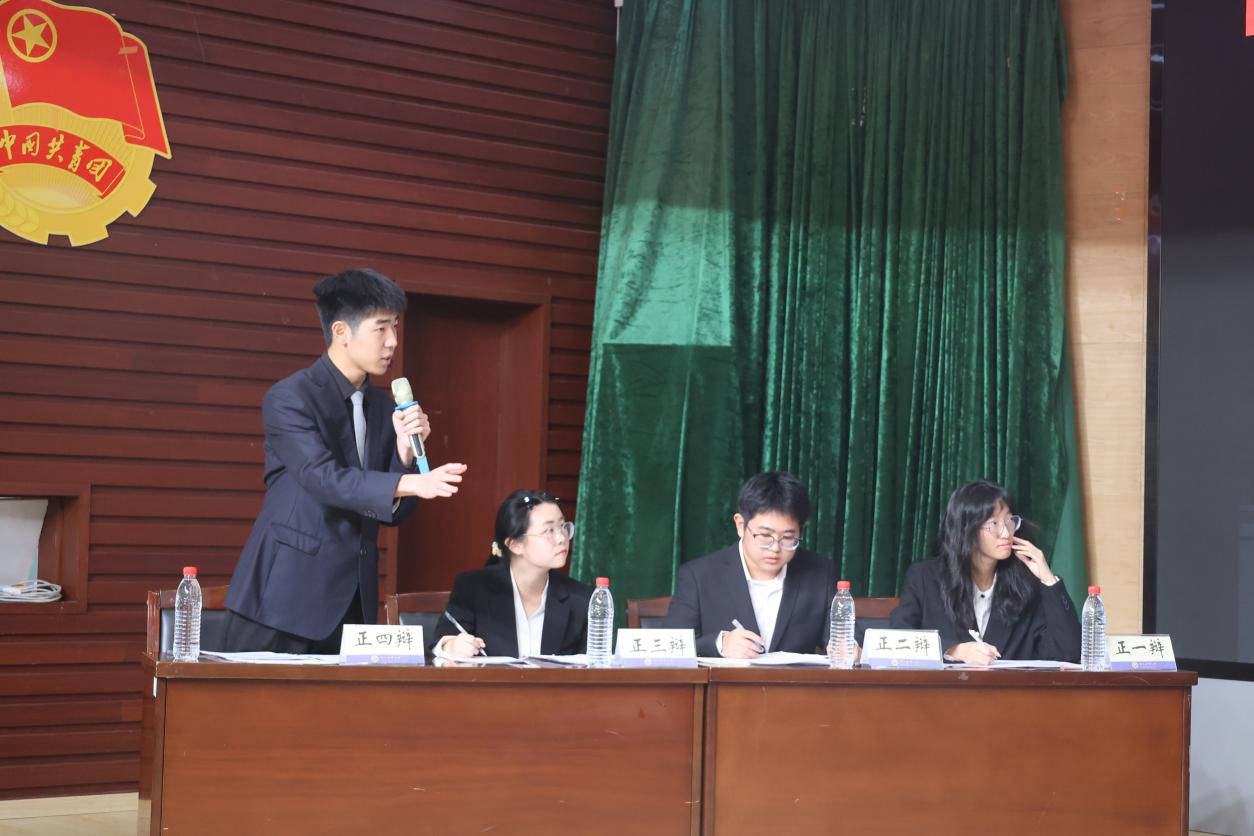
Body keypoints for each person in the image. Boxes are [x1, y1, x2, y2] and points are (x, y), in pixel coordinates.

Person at [222, 268, 468, 653]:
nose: (393, 341)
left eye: (395, 327)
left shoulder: (382, 406)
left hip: (353, 600)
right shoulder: (290, 397)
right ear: (341, 332)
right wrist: (410, 482)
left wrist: (404, 454)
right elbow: (322, 477)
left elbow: (392, 513)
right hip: (282, 599)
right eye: (381, 328)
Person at [889, 479, 1081, 664]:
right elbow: (898, 640)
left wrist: (1048, 580)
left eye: (1009, 521)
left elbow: (1070, 652)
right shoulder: (924, 577)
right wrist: (953, 650)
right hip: (945, 687)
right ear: (966, 529)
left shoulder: (1025, 584)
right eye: (994, 524)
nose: (1006, 533)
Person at [662, 471, 836, 658]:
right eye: (765, 536)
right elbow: (669, 645)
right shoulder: (700, 576)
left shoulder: (821, 573)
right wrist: (720, 644)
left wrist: (848, 647)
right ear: (740, 525)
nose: (775, 548)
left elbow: (847, 635)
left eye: (787, 537)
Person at [433, 490, 593, 658]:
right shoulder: (473, 589)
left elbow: (594, 665)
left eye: (563, 526)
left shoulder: (582, 599)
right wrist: (450, 646)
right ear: (515, 544)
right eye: (549, 530)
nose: (562, 538)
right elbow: (442, 641)